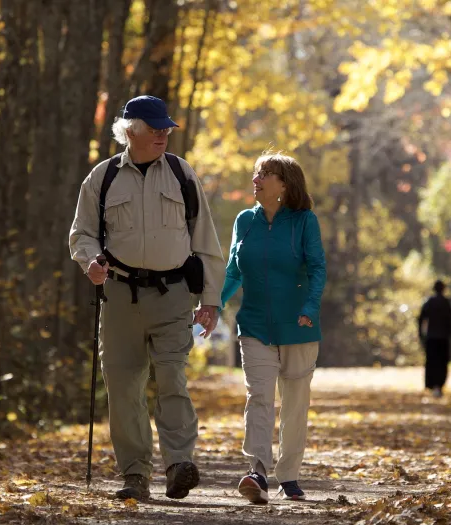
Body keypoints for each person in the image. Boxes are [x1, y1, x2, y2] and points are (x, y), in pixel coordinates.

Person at [68, 95, 225, 501]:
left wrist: (210, 300)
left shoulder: (180, 173)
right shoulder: (101, 178)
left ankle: (178, 464)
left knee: (172, 376)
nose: (163, 135)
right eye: (154, 129)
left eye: (166, 129)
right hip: (118, 295)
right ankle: (135, 474)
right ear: (130, 130)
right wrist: (91, 263)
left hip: (173, 295)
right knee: (123, 387)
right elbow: (80, 234)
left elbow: (206, 240)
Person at [220, 153, 326, 504]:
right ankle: (258, 471)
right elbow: (234, 270)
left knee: (295, 403)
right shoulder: (244, 220)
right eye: (256, 172)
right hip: (254, 325)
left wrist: (310, 307)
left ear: (285, 184)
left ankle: (289, 475)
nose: (257, 178)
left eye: (265, 173)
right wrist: (214, 304)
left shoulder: (304, 221)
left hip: (298, 326)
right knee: (259, 396)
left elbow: (317, 268)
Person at [418, 280, 451, 398]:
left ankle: (432, 385)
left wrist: (421, 334)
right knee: (442, 363)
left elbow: (421, 319)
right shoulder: (446, 303)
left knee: (432, 362)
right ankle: (439, 385)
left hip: (432, 338)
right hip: (443, 338)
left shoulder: (429, 302)